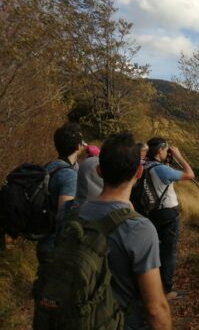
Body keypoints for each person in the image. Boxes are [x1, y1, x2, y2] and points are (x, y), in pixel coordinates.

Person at [78, 132, 172, 329]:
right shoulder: (139, 229)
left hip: (79, 318)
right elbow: (155, 309)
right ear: (139, 173)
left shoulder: (71, 215)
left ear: (99, 171)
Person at [145, 137, 195, 299]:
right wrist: (179, 156)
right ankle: (166, 290)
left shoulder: (146, 165)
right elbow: (190, 175)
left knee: (155, 249)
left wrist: (167, 160)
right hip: (168, 215)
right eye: (166, 150)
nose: (167, 152)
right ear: (160, 150)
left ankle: (150, 282)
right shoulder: (162, 170)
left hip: (151, 213)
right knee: (168, 253)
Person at [37, 123, 86, 260]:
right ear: (78, 147)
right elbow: (65, 214)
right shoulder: (69, 175)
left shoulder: (50, 166)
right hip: (56, 247)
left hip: (44, 240)